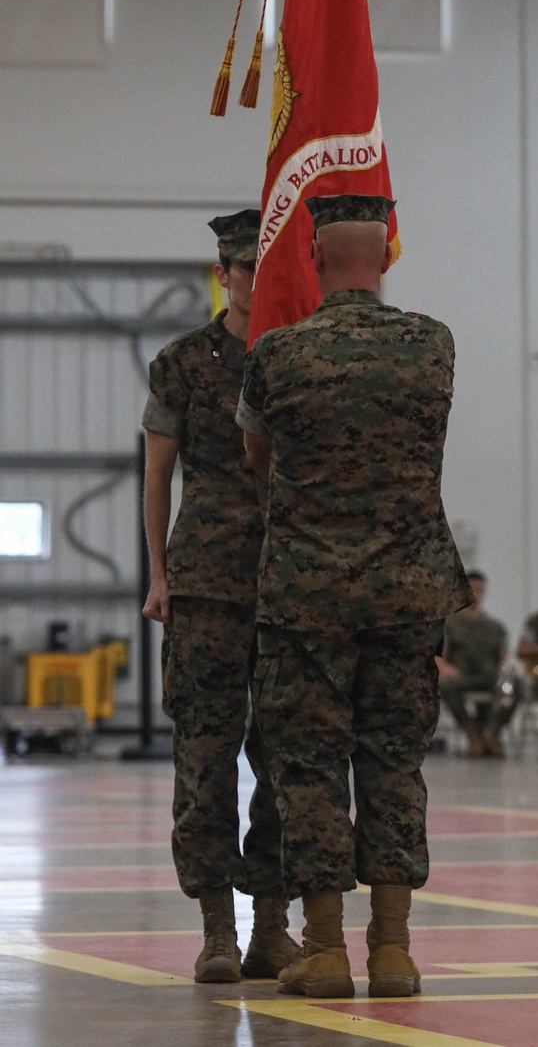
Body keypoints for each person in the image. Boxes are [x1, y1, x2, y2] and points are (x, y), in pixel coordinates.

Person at [238, 194, 471, 1001]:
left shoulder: (276, 354)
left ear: (314, 256)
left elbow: (257, 453)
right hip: (408, 592)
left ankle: (326, 950)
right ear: (385, 254)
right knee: (394, 764)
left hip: (306, 594)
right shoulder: (433, 345)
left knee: (307, 768)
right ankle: (396, 952)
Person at [141, 209, 299, 984]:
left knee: (284, 759)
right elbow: (158, 476)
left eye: (264, 269)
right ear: (221, 274)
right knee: (204, 759)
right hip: (205, 582)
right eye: (241, 268)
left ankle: (272, 925)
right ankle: (216, 931)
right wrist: (158, 573)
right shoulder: (181, 363)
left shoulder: (299, 360)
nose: (251, 281)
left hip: (286, 582)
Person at [438, 572, 522, 758]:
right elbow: (440, 656)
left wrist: (508, 668)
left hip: (489, 675)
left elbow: (504, 657)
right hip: (462, 675)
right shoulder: (449, 624)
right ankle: (471, 732)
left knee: (516, 684)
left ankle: (493, 732)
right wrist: (445, 668)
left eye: (479, 590)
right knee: (445, 684)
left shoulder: (494, 626)